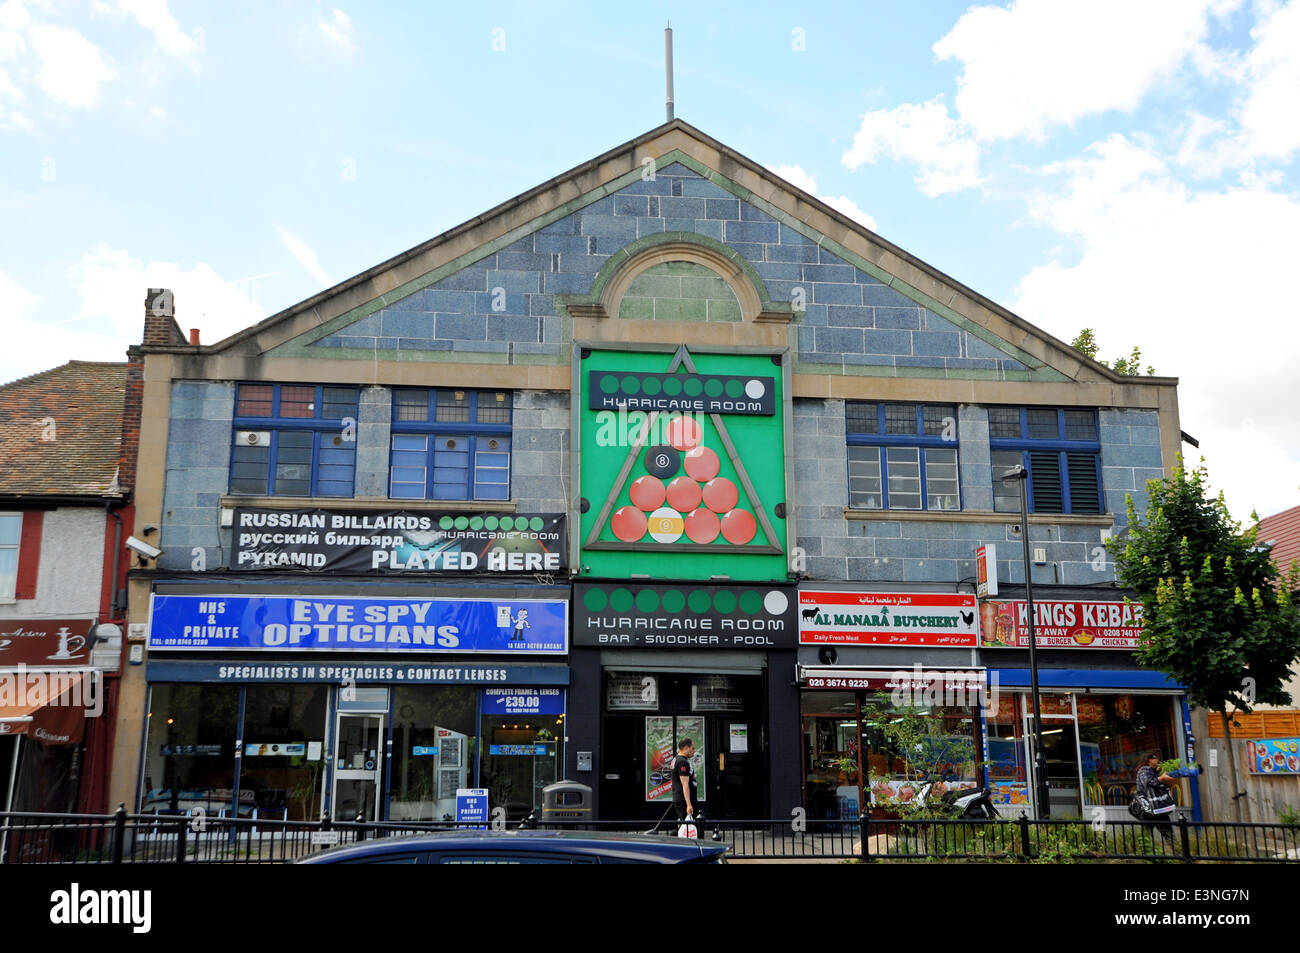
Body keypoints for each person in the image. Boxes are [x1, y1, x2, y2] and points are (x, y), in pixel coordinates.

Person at [1135, 751, 1176, 843]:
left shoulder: (1154, 771)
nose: (1158, 760)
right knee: (1164, 833)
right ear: (1149, 760)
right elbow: (1148, 783)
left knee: (1148, 834)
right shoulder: (1144, 769)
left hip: (1154, 807)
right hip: (1151, 807)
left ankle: (1147, 853)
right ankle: (1176, 852)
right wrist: (1162, 778)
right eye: (1155, 758)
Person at [671, 738, 697, 833]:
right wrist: (689, 804)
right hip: (684, 800)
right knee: (687, 829)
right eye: (693, 748)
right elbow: (684, 783)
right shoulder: (682, 762)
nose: (694, 751)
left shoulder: (676, 759)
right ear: (686, 748)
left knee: (684, 827)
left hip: (680, 798)